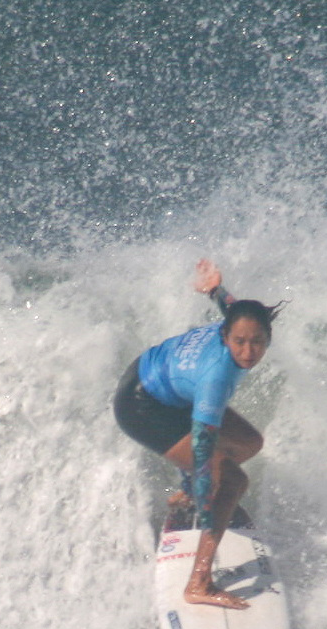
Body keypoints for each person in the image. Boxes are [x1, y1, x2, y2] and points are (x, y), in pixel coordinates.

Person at [112, 258, 277, 610]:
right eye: (240, 342)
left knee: (250, 443)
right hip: (141, 405)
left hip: (163, 377)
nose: (248, 352)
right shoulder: (217, 377)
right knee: (231, 482)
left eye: (257, 342)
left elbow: (234, 308)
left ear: (267, 336)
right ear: (225, 335)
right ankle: (199, 583)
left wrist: (216, 289)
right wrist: (205, 493)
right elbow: (203, 447)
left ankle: (189, 494)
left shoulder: (237, 322)